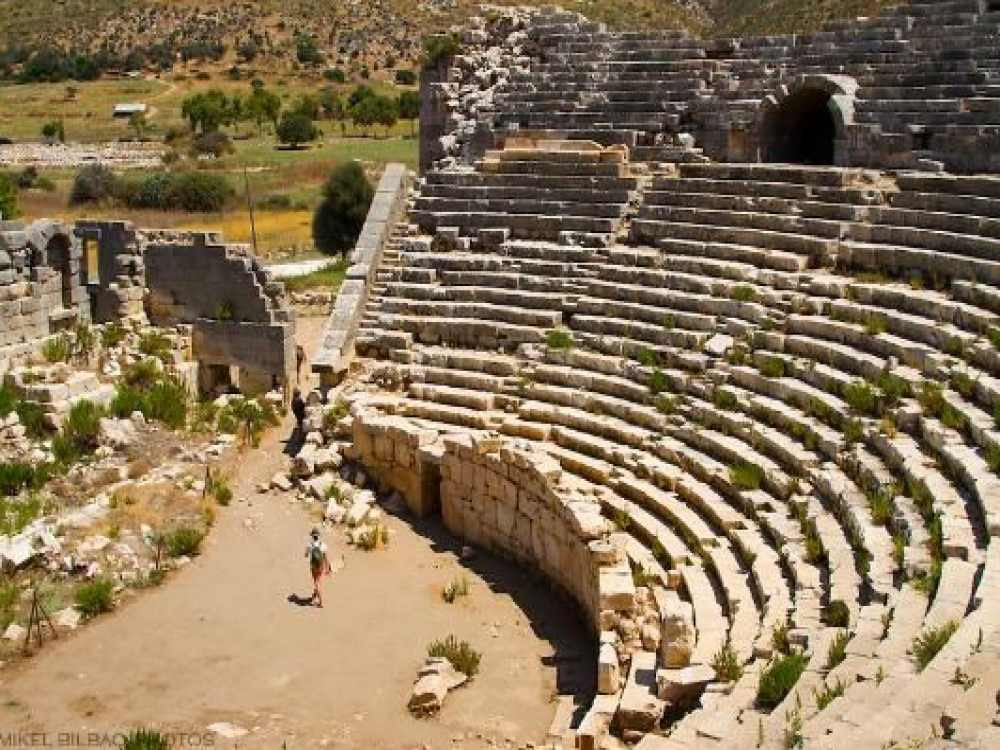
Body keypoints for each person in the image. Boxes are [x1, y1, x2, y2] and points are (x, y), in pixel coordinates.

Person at [305, 528, 332, 607]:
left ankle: (321, 602)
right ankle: (315, 593)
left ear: (312, 536)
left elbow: (306, 555)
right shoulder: (322, 544)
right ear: (318, 536)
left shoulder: (309, 544)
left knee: (316, 582)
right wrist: (328, 567)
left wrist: (308, 553)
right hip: (321, 565)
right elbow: (325, 557)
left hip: (313, 566)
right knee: (319, 580)